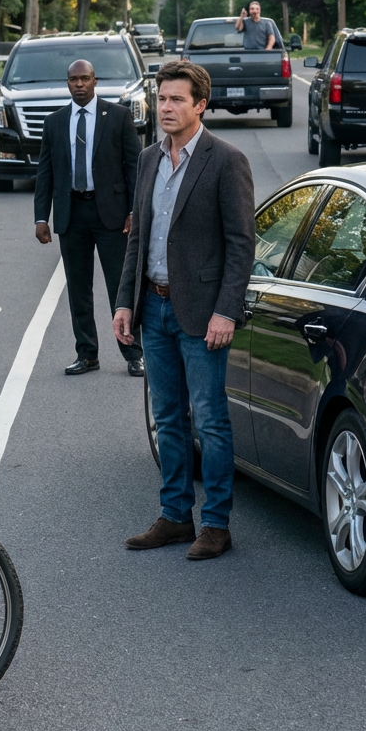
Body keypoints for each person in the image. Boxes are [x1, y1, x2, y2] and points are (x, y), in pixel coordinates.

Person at [113, 61, 254, 560]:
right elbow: (139, 236)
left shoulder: (226, 161)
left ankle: (215, 524)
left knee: (210, 421)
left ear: (201, 105)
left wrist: (226, 311)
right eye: (162, 99)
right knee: (168, 418)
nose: (166, 107)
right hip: (153, 307)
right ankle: (175, 516)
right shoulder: (148, 159)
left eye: (177, 99)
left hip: (202, 314)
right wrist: (125, 301)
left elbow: (241, 244)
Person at [34, 58, 144, 376]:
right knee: (78, 289)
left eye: (84, 78)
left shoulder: (118, 116)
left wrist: (134, 211)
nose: (79, 84)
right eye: (73, 79)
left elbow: (134, 167)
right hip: (72, 214)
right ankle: (87, 353)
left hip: (111, 215)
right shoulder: (54, 122)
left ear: (95, 81)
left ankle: (133, 353)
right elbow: (45, 173)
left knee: (120, 286)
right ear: (67, 83)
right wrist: (41, 217)